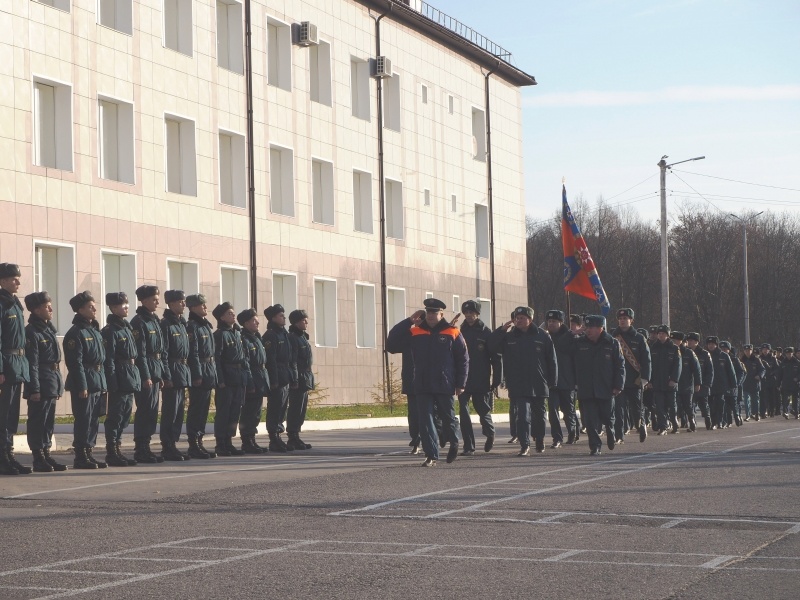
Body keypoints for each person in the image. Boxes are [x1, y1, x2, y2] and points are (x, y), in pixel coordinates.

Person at [387, 298, 467, 466]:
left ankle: (454, 441)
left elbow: (463, 359)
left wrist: (461, 383)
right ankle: (431, 455)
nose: (431, 316)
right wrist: (408, 321)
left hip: (444, 384)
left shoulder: (452, 332)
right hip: (422, 384)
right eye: (428, 313)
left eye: (434, 313)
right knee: (425, 420)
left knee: (448, 417)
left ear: (441, 314)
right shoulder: (415, 332)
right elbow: (391, 344)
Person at [488, 306, 557, 456]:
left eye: (522, 318)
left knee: (539, 416)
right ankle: (525, 444)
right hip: (518, 382)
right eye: (516, 318)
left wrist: (552, 380)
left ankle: (539, 439)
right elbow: (491, 346)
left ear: (530, 320)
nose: (518, 320)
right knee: (522, 416)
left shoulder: (542, 336)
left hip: (539, 382)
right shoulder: (509, 336)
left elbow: (552, 360)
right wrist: (500, 331)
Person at [63, 291, 107, 469]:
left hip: (97, 380)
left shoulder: (94, 331)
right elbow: (75, 363)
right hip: (85, 382)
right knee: (84, 419)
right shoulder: (76, 333)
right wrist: (82, 386)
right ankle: (80, 456)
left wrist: (103, 383)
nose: (94, 308)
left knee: (94, 419)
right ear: (80, 310)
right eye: (90, 306)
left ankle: (89, 452)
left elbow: (101, 360)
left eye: (94, 305)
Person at [23, 291, 66, 472]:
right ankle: (38, 457)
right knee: (38, 421)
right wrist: (35, 389)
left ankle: (46, 453)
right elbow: (32, 363)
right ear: (36, 310)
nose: (51, 308)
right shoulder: (32, 332)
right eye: (46, 306)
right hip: (40, 381)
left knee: (48, 421)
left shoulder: (48, 329)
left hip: (51, 381)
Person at [569, 315, 624, 456]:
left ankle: (610, 431)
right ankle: (595, 446)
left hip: (606, 387)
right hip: (586, 388)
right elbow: (563, 347)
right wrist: (572, 333)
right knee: (590, 421)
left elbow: (620, 366)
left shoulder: (612, 343)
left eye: (591, 327)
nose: (588, 330)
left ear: (601, 328)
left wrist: (618, 385)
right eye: (586, 327)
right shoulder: (579, 343)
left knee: (607, 417)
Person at [101, 292, 141, 467]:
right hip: (119, 374)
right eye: (122, 305)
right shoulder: (110, 331)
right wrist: (112, 382)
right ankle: (112, 451)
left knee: (124, 415)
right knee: (115, 416)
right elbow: (109, 359)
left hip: (130, 374)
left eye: (127, 304)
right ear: (113, 308)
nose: (126, 307)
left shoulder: (126, 328)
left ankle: (118, 448)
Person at [457, 300, 501, 455]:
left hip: (481, 378)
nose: (469, 316)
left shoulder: (486, 333)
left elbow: (496, 358)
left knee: (482, 409)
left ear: (477, 314)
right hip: (463, 379)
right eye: (466, 313)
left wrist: (497, 379)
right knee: (463, 411)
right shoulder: (460, 332)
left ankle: (490, 432)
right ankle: (469, 446)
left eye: (472, 313)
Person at [0, 263, 31, 476]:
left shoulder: (15, 304)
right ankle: (3, 457)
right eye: (13, 279)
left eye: (18, 278)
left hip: (18, 364)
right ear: (2, 281)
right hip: (6, 365)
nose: (18, 282)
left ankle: (9, 454)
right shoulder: (2, 304)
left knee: (12, 415)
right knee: (3, 415)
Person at [130, 285, 166, 463]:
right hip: (147, 371)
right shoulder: (139, 322)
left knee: (152, 411)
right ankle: (141, 448)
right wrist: (146, 376)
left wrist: (162, 374)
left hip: (156, 369)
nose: (157, 301)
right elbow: (140, 353)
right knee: (144, 410)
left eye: (157, 298)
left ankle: (147, 445)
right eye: (154, 299)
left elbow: (161, 350)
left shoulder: (154, 320)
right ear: (144, 301)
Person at [213, 302, 251, 455]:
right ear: (222, 317)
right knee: (224, 411)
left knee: (235, 411)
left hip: (238, 377)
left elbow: (244, 357)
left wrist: (246, 378)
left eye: (233, 313)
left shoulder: (237, 334)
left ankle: (229, 441)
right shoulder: (220, 335)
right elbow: (217, 359)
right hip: (227, 378)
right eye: (229, 313)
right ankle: (220, 443)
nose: (233, 315)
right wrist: (220, 380)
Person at [610, 308, 651, 443]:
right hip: (618, 380)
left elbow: (646, 359)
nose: (622, 321)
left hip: (634, 380)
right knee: (618, 409)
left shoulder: (639, 338)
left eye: (625, 319)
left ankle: (641, 425)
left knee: (637, 408)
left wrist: (645, 378)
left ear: (631, 320)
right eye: (620, 319)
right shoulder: (613, 337)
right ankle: (619, 435)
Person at [185, 294, 218, 458]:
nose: (205, 306)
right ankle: (193, 443)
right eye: (201, 304)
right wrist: (197, 375)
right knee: (196, 410)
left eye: (205, 303)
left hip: (208, 370)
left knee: (204, 410)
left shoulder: (205, 326)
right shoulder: (192, 326)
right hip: (200, 372)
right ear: (192, 308)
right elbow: (194, 354)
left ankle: (200, 441)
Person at [160, 290, 191, 461]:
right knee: (170, 412)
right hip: (172, 371)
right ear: (171, 304)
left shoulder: (181, 324)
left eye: (184, 301)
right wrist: (167, 376)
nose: (183, 304)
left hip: (182, 372)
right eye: (180, 301)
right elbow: (164, 352)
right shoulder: (166, 325)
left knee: (179, 412)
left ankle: (174, 443)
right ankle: (167, 445)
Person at [263, 304, 297, 452]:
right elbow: (271, 360)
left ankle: (279, 434)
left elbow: (290, 359)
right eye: (280, 315)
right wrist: (274, 380)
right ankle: (273, 438)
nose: (284, 318)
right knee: (275, 408)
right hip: (277, 375)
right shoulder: (271, 335)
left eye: (283, 315)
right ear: (273, 318)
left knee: (282, 408)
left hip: (285, 374)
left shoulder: (284, 334)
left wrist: (293, 377)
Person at [544, 310, 579, 446]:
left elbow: (575, 360)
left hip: (567, 381)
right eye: (549, 321)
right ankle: (557, 438)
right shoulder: (545, 337)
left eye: (554, 321)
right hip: (551, 382)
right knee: (552, 412)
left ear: (561, 322)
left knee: (568, 410)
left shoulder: (571, 338)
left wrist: (576, 381)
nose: (551, 324)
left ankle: (572, 432)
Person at [286, 309, 314, 450]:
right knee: (296, 408)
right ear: (296, 322)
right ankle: (292, 436)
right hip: (299, 377)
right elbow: (294, 361)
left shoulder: (302, 337)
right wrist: (295, 379)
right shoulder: (293, 337)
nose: (306, 322)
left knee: (301, 409)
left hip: (305, 377)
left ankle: (297, 434)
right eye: (304, 320)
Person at [646, 325, 681, 434]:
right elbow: (649, 366)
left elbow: (678, 366)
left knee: (671, 404)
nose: (661, 335)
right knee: (660, 406)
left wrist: (674, 379)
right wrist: (650, 381)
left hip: (670, 382)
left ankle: (674, 420)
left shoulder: (674, 348)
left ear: (667, 335)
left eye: (663, 334)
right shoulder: (653, 348)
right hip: (657, 382)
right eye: (659, 334)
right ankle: (663, 427)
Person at [672, 331, 701, 432]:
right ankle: (675, 424)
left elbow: (696, 369)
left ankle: (692, 422)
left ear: (681, 341)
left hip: (687, 384)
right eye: (672, 340)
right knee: (675, 405)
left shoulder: (689, 353)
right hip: (674, 384)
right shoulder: (670, 351)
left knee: (688, 405)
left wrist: (698, 383)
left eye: (675, 340)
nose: (673, 342)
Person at [707, 336, 736, 429]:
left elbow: (730, 371)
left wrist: (733, 384)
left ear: (716, 345)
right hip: (708, 384)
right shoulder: (705, 355)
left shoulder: (723, 355)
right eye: (709, 344)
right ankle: (713, 422)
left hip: (721, 384)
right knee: (711, 405)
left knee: (720, 403)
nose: (711, 346)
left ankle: (720, 421)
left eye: (713, 344)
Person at [686, 332, 714, 429]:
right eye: (688, 341)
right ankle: (692, 423)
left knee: (703, 404)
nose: (689, 343)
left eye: (692, 341)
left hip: (702, 385)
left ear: (697, 342)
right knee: (690, 405)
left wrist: (706, 384)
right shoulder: (686, 353)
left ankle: (707, 419)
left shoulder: (705, 354)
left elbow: (710, 371)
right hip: (689, 385)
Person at [720, 341, 744, 427]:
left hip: (733, 385)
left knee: (734, 403)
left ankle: (737, 416)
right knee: (725, 405)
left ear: (729, 350)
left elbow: (741, 372)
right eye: (722, 349)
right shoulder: (719, 358)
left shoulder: (734, 359)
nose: (723, 350)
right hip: (723, 385)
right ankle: (727, 421)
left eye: (725, 349)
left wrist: (737, 382)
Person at [741, 345, 765, 422]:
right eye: (746, 350)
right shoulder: (742, 360)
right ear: (744, 351)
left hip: (755, 383)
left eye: (749, 350)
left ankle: (756, 414)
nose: (747, 352)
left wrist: (759, 375)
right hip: (745, 383)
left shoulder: (756, 360)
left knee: (755, 400)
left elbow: (762, 369)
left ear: (751, 351)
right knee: (746, 400)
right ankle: (748, 415)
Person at [758, 343, 779, 419]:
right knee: (763, 397)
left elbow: (777, 368)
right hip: (763, 380)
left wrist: (772, 373)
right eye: (763, 349)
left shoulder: (773, 358)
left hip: (771, 380)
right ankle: (763, 412)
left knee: (771, 397)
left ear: (769, 350)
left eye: (766, 349)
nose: (765, 351)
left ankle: (772, 410)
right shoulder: (759, 358)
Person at [778, 347, 800, 419]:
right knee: (785, 399)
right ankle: (785, 412)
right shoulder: (783, 363)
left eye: (790, 353)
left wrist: (797, 378)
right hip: (786, 384)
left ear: (792, 353)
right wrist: (778, 384)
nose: (788, 355)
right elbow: (780, 374)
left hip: (795, 384)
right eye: (787, 354)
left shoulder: (797, 362)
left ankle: (795, 412)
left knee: (795, 399)